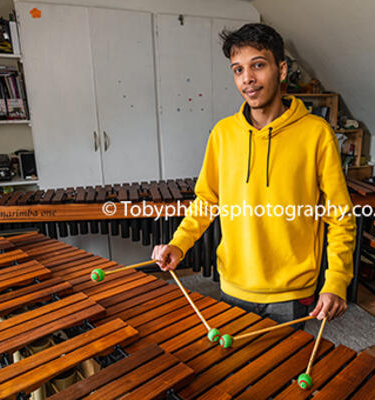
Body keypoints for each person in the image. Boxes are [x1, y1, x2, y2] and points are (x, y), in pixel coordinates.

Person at [152, 23, 355, 327]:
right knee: (237, 370)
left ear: (282, 70)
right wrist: (179, 243)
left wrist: (336, 279)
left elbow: (340, 216)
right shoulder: (222, 134)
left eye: (258, 65)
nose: (247, 78)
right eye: (237, 70)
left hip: (291, 293)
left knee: (284, 369)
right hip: (233, 285)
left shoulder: (317, 134)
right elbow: (207, 200)